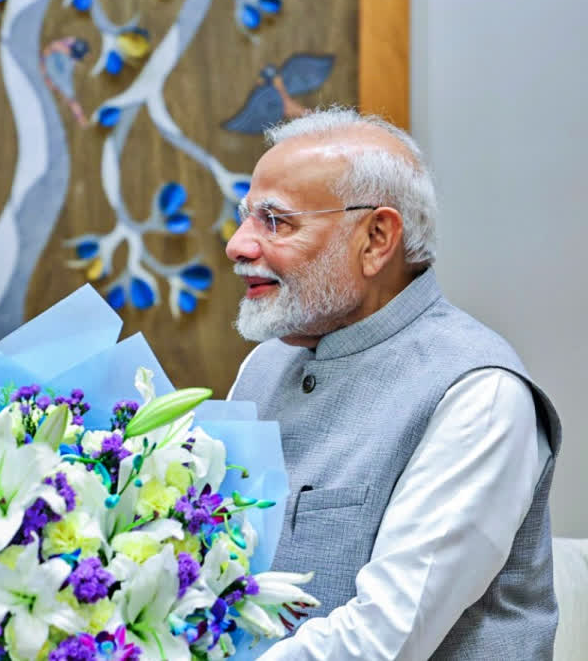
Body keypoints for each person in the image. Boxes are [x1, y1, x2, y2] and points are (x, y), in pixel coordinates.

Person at [225, 107, 560, 659]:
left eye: (275, 221)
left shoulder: (479, 393)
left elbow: (385, 639)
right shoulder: (261, 367)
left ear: (377, 238)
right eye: (244, 217)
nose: (238, 244)